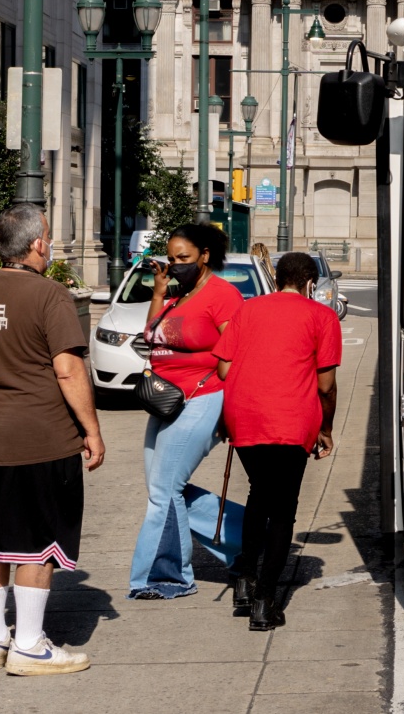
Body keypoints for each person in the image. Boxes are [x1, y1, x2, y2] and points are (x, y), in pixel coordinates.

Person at [0, 203, 105, 676]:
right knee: (38, 543)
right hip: (44, 437)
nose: (51, 245)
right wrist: (92, 430)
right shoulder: (50, 295)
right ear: (38, 243)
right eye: (50, 238)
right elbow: (67, 367)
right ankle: (31, 644)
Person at [217, 251, 341, 631]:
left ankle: (245, 576)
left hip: (244, 416)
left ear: (277, 279)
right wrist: (326, 428)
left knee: (259, 494)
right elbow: (325, 385)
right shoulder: (322, 316)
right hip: (290, 419)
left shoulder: (248, 310)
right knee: (283, 509)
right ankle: (264, 601)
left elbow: (223, 366)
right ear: (310, 284)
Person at [127, 223, 244, 600]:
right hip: (165, 399)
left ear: (205, 256)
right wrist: (160, 294)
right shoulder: (179, 296)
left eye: (184, 259)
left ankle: (164, 576)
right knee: (163, 489)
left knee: (165, 489)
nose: (175, 265)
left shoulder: (222, 296)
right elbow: (151, 336)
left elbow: (239, 354)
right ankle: (249, 535)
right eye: (171, 258)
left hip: (203, 396)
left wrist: (232, 412)